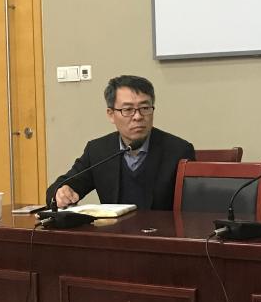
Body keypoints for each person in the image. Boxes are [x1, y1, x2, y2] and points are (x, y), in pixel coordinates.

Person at [46, 75, 194, 211]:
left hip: (161, 231)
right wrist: (61, 193)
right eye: (128, 109)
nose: (138, 116)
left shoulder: (178, 151)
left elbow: (193, 210)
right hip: (113, 231)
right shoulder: (98, 151)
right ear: (111, 114)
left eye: (145, 108)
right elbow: (60, 186)